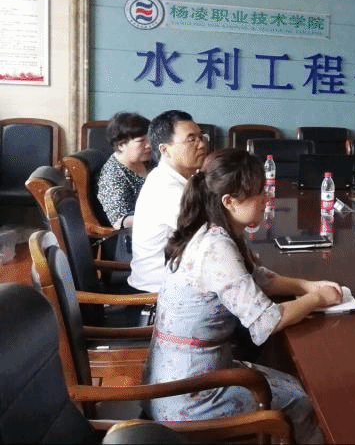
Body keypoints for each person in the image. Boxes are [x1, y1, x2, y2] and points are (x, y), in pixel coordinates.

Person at [146, 149, 341, 443]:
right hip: (189, 394)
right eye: (259, 193)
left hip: (190, 374)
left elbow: (254, 278)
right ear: (229, 201)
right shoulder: (216, 247)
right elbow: (267, 321)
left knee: (292, 381)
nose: (267, 199)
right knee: (301, 399)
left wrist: (305, 286)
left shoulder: (215, 230)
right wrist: (317, 300)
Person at [129, 110, 208, 293]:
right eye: (191, 140)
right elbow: (212, 237)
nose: (202, 144)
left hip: (175, 284)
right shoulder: (167, 189)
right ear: (165, 150)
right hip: (157, 296)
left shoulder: (175, 177)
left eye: (201, 137)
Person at [96, 112, 152, 232]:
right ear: (121, 145)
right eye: (141, 141)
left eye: (149, 139)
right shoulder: (113, 176)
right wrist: (161, 217)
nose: (148, 145)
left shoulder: (148, 160)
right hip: (133, 235)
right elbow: (119, 222)